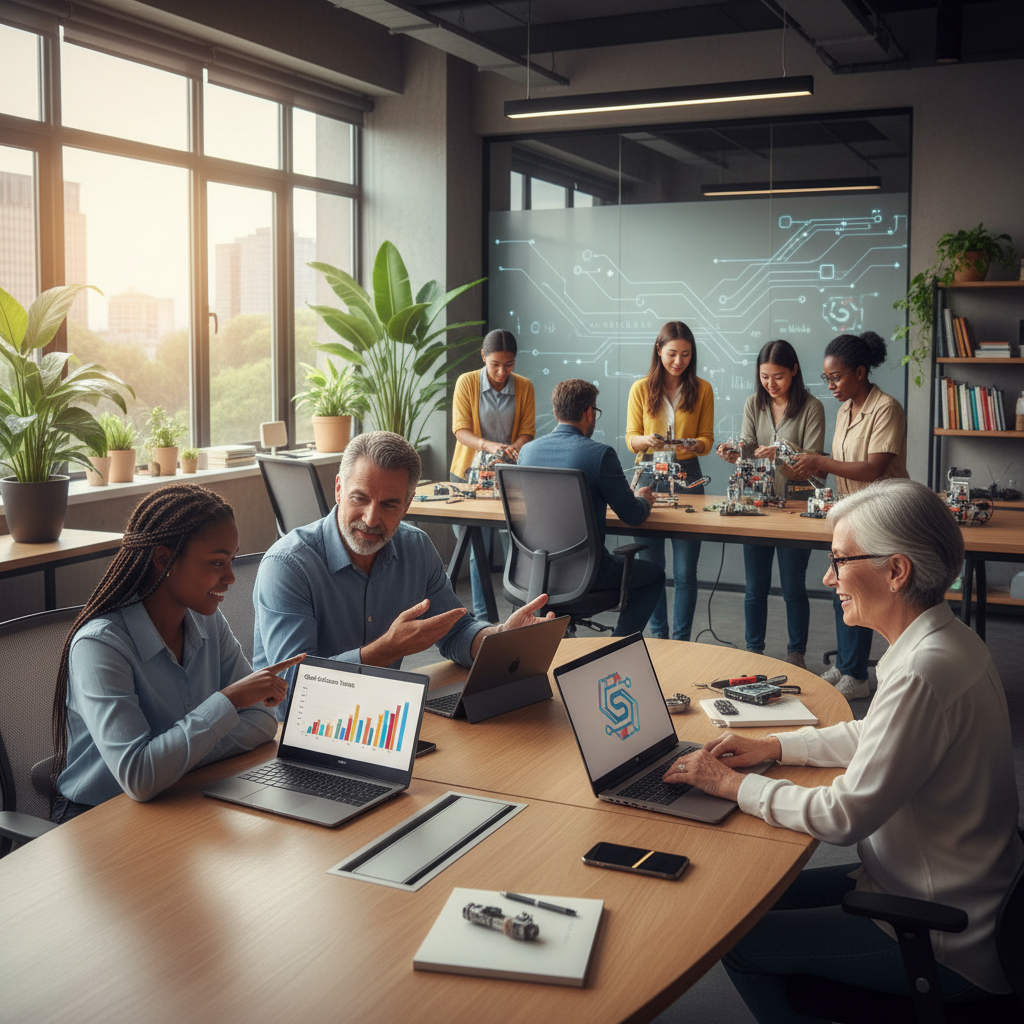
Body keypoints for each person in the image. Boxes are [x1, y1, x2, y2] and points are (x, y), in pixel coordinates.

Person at [661, 479, 1021, 1019]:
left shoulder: (922, 672)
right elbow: (877, 733)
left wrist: (732, 785)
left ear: (896, 571)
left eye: (839, 560)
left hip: (943, 934)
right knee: (748, 899)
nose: (828, 577)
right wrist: (773, 747)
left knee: (738, 941)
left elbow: (843, 816)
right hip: (952, 888)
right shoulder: (945, 641)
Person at [253, 430, 552, 717]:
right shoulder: (287, 565)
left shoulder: (415, 547)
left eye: (388, 504)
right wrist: (387, 650)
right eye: (360, 498)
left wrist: (499, 638)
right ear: (339, 489)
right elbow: (290, 689)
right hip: (297, 730)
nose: (371, 518)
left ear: (407, 505)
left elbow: (455, 629)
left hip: (378, 714)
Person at [50, 484, 300, 823]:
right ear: (164, 559)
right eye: (216, 562)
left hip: (178, 795)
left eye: (232, 560)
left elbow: (261, 722)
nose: (230, 577)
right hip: (97, 816)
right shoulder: (100, 646)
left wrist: (173, 760)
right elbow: (139, 776)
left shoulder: (208, 621)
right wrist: (227, 702)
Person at [789, 330, 909, 699]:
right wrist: (805, 464)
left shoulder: (886, 408)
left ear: (860, 371)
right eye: (827, 378)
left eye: (836, 377)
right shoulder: (844, 410)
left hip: (878, 512)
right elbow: (841, 466)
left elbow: (873, 468)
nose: (831, 385)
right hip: (849, 513)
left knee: (859, 589)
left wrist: (821, 460)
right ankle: (847, 666)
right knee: (844, 590)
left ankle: (856, 674)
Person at [517, 378, 664, 636]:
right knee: (654, 574)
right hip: (587, 575)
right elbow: (632, 515)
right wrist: (643, 499)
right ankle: (619, 646)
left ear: (555, 412)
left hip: (534, 572)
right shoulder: (599, 454)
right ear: (588, 412)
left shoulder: (527, 453)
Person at [716, 339, 825, 668]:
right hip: (758, 503)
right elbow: (748, 450)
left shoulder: (812, 407)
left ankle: (796, 654)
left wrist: (780, 455)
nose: (770, 384)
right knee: (755, 587)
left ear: (794, 370)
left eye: (777, 376)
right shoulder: (754, 403)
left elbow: (811, 465)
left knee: (793, 586)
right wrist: (735, 454)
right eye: (764, 376)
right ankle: (754, 650)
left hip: (797, 504)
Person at [625, 321, 714, 641]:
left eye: (686, 355)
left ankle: (681, 641)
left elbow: (708, 439)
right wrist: (646, 440)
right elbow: (629, 439)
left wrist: (694, 444)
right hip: (648, 472)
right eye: (672, 354)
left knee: (686, 573)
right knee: (653, 571)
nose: (679, 361)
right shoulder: (640, 388)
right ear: (658, 350)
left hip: (688, 474)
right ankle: (660, 639)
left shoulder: (702, 389)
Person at [449, 329, 536, 620]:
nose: (502, 371)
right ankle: (485, 620)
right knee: (479, 550)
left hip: (508, 478)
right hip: (469, 477)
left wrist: (513, 448)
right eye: (495, 364)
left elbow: (527, 431)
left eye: (509, 364)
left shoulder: (524, 386)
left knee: (520, 545)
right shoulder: (467, 382)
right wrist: (489, 446)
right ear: (483, 357)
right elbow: (461, 430)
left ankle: (519, 615)